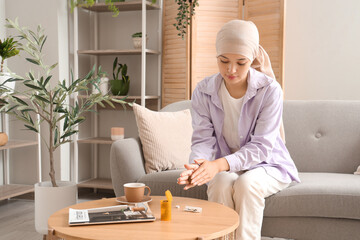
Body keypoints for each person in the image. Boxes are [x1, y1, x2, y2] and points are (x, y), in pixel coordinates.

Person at [177, 20, 301, 240]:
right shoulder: (203, 91)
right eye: (224, 61)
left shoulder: (270, 91)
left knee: (247, 183)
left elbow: (262, 147)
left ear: (252, 59)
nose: (231, 70)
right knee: (220, 182)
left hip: (268, 165)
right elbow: (203, 140)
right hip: (226, 166)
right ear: (216, 56)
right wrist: (197, 168)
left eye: (241, 62)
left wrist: (218, 164)